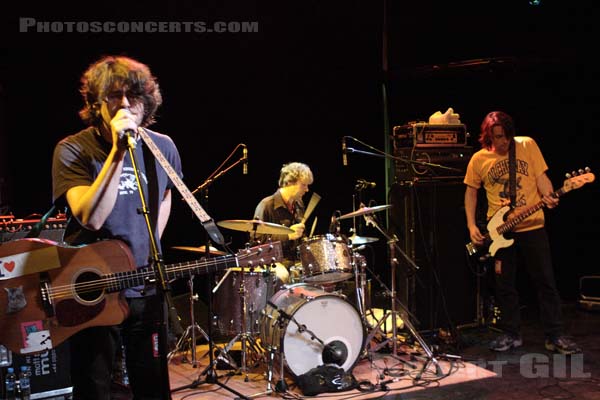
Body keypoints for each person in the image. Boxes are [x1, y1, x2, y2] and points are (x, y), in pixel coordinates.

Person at [51, 55, 183, 399]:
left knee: (152, 385)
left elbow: (166, 196)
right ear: (97, 103)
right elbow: (90, 216)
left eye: (133, 96)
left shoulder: (163, 146)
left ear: (146, 102)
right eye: (113, 95)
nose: (124, 104)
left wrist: (147, 242)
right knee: (95, 387)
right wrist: (118, 152)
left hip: (144, 286)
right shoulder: (73, 149)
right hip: (91, 290)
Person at [464, 111, 580, 354]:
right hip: (500, 231)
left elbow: (542, 178)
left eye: (506, 136)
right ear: (488, 136)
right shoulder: (478, 159)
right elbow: (471, 192)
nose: (503, 141)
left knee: (545, 281)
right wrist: (472, 226)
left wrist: (550, 195)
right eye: (497, 137)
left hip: (533, 226)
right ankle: (511, 334)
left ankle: (555, 335)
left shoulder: (527, 145)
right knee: (504, 285)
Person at [253, 162, 314, 283]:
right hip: (271, 260)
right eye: (304, 185)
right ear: (289, 183)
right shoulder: (267, 205)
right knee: (283, 276)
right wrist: (288, 235)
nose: (307, 190)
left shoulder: (299, 205)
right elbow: (256, 241)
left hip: (293, 259)